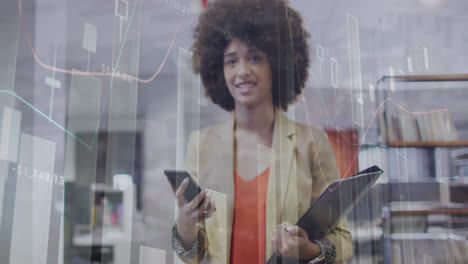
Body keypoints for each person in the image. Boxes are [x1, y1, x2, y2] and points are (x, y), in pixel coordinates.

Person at [171, 0, 353, 263]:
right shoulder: (201, 145)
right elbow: (196, 255)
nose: (242, 71)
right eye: (231, 61)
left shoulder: (311, 144)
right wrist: (185, 226)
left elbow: (343, 241)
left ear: (277, 64)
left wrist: (310, 251)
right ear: (219, 70)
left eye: (254, 57)